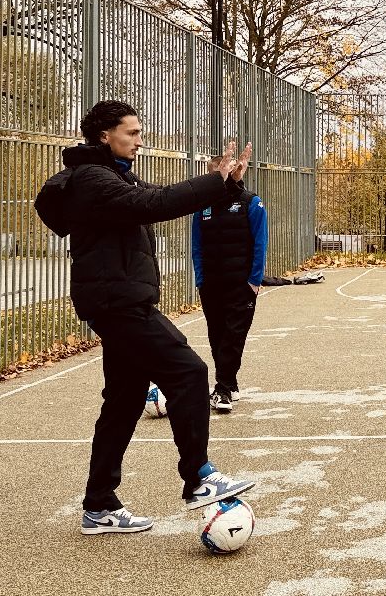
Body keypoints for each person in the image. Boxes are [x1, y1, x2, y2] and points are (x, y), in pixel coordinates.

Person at [34, 100, 256, 535]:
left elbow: (162, 196)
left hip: (116, 299)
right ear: (105, 136)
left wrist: (225, 185)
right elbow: (155, 203)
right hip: (118, 303)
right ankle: (199, 478)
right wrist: (214, 180)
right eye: (131, 133)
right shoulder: (94, 180)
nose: (139, 140)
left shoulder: (111, 175)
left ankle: (99, 505)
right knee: (190, 373)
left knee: (124, 400)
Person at [192, 157, 268, 414]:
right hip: (212, 285)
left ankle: (222, 389)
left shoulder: (251, 203)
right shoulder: (202, 207)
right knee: (217, 335)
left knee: (234, 336)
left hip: (241, 285)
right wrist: (201, 279)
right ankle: (230, 382)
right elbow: (197, 246)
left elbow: (260, 244)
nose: (220, 175)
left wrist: (254, 281)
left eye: (225, 170)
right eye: (216, 171)